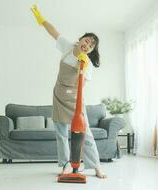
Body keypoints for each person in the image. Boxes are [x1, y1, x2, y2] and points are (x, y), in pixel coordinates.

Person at [31, 5, 107, 179]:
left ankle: (96, 167)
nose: (87, 45)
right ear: (80, 39)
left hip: (75, 100)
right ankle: (65, 165)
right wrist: (42, 21)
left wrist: (82, 67)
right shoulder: (67, 46)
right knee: (61, 133)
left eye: (91, 45)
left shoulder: (87, 63)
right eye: (86, 41)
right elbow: (54, 32)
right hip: (58, 96)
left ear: (91, 50)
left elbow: (82, 88)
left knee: (85, 133)